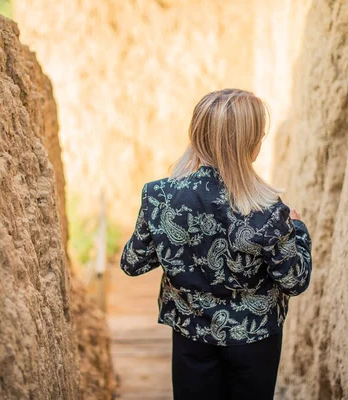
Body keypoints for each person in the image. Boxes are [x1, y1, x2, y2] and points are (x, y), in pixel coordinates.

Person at [120, 88, 312, 400]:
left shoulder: (160, 196)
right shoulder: (268, 211)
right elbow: (294, 280)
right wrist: (297, 228)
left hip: (190, 334)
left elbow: (133, 263)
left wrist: (174, 240)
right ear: (249, 144)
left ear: (197, 134)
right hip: (255, 338)